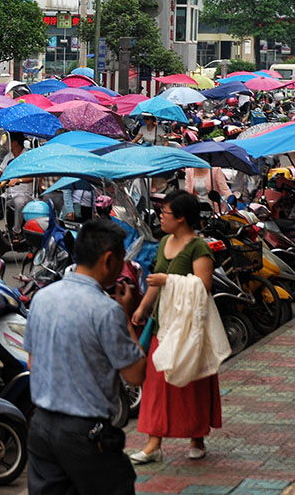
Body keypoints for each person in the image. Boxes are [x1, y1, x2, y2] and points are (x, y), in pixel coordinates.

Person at [24, 219, 146, 493]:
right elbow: (136, 374)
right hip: (85, 432)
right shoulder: (107, 310)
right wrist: (125, 316)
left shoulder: (42, 297)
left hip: (42, 426)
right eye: (120, 261)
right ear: (108, 259)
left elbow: (34, 364)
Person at [130, 190, 221, 463]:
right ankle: (153, 443)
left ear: (181, 218)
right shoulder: (164, 243)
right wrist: (143, 307)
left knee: (192, 382)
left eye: (165, 213)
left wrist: (168, 281)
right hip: (163, 324)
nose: (161, 217)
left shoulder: (198, 247)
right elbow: (156, 283)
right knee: (157, 383)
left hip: (190, 327)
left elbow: (203, 286)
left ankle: (197, 437)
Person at [0, 132, 32, 240]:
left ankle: (16, 231)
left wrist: (19, 180)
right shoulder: (9, 156)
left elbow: (33, 177)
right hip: (8, 192)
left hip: (24, 193)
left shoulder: (28, 157)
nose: (5, 144)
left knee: (19, 203)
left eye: (7, 141)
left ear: (15, 143)